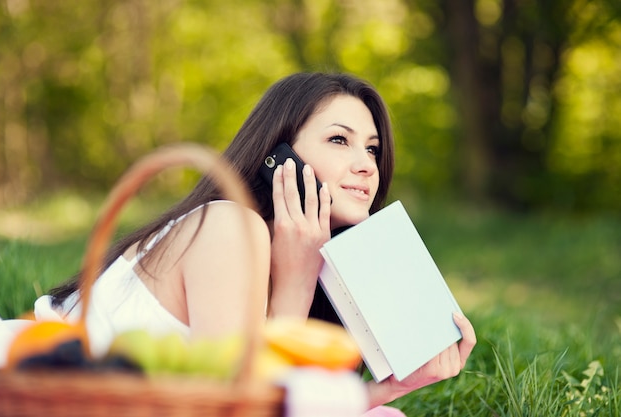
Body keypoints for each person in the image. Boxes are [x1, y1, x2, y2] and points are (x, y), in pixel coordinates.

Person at [36, 72, 476, 414]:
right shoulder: (230, 225)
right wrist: (296, 283)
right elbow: (243, 409)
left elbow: (288, 406)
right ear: (277, 157)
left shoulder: (318, 270)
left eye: (373, 150)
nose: (366, 165)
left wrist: (397, 386)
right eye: (340, 140)